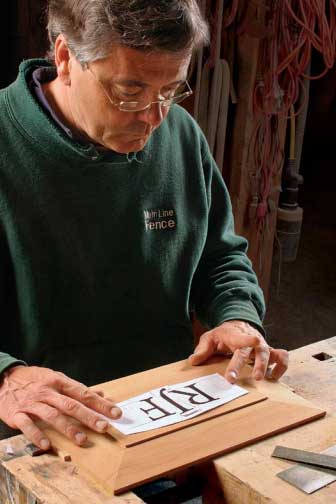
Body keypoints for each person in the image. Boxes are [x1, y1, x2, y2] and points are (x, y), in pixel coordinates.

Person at [0, 0, 288, 451]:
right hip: (41, 434)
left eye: (170, 90)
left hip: (167, 412)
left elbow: (220, 258)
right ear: (65, 58)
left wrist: (236, 316)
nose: (154, 118)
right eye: (128, 92)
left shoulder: (180, 135)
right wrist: (5, 378)